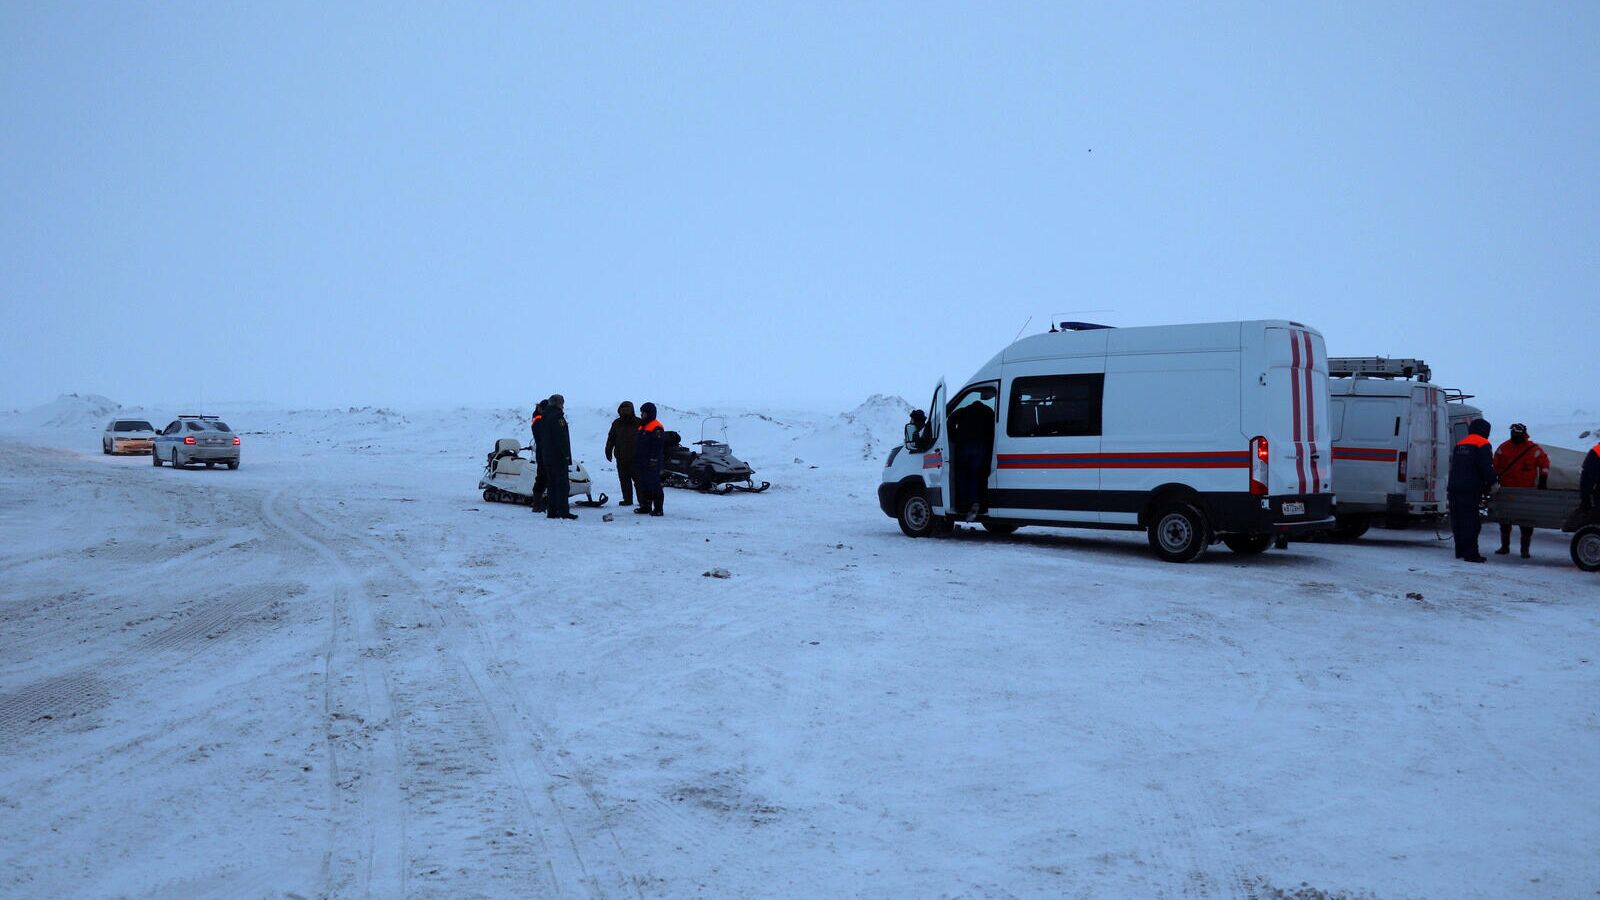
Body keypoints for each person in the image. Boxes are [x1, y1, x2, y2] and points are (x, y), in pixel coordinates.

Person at [1492, 423, 1551, 558]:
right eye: (1513, 431)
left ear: (1523, 433)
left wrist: (1543, 479)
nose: (1514, 433)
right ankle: (1504, 547)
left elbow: (1545, 463)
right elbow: (1495, 465)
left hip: (1526, 492)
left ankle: (1525, 551)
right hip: (1506, 490)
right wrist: (1492, 480)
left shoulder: (1533, 449)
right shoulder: (1503, 448)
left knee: (1526, 522)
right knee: (1505, 520)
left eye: (1517, 431)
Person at [1446, 418, 1497, 562]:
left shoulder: (1460, 444)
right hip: (1470, 490)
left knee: (1458, 521)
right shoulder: (1483, 444)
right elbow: (1486, 467)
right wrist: (1493, 482)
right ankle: (1471, 554)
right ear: (1485, 431)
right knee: (1471, 522)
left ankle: (1460, 551)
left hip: (1454, 487)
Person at [947, 399, 995, 521]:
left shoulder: (963, 411)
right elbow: (995, 428)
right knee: (976, 476)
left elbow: (950, 420)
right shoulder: (988, 412)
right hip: (980, 447)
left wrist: (954, 437)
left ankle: (963, 506)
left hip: (963, 446)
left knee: (962, 476)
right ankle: (976, 502)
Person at [541, 394, 577, 520]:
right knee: (562, 485)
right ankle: (563, 511)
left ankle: (552, 511)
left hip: (547, 457)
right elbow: (561, 438)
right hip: (558, 457)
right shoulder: (557, 417)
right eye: (562, 403)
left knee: (551, 485)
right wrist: (566, 455)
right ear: (558, 403)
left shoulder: (545, 416)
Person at [605, 401, 640, 507]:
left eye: (627, 409)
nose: (624, 411)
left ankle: (643, 501)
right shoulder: (616, 423)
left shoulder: (639, 422)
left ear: (632, 410)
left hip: (636, 458)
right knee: (624, 480)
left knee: (639, 481)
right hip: (621, 457)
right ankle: (627, 500)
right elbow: (611, 438)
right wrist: (608, 450)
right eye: (622, 409)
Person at [634, 402, 666, 516]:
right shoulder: (642, 426)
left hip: (652, 462)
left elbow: (657, 446)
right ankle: (646, 506)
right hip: (642, 461)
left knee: (654, 485)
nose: (642, 414)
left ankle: (658, 508)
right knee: (643, 484)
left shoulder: (656, 427)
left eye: (644, 412)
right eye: (641, 412)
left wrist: (653, 460)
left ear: (649, 413)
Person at [529, 399, 549, 512]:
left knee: (544, 478)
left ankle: (540, 501)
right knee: (542, 478)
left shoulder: (541, 420)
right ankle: (537, 502)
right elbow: (542, 439)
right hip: (543, 454)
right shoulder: (539, 421)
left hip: (544, 453)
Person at [1582, 440, 1600, 512]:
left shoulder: (1596, 451)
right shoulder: (1596, 451)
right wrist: (1585, 497)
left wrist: (1585, 496)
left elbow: (1587, 475)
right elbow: (1588, 475)